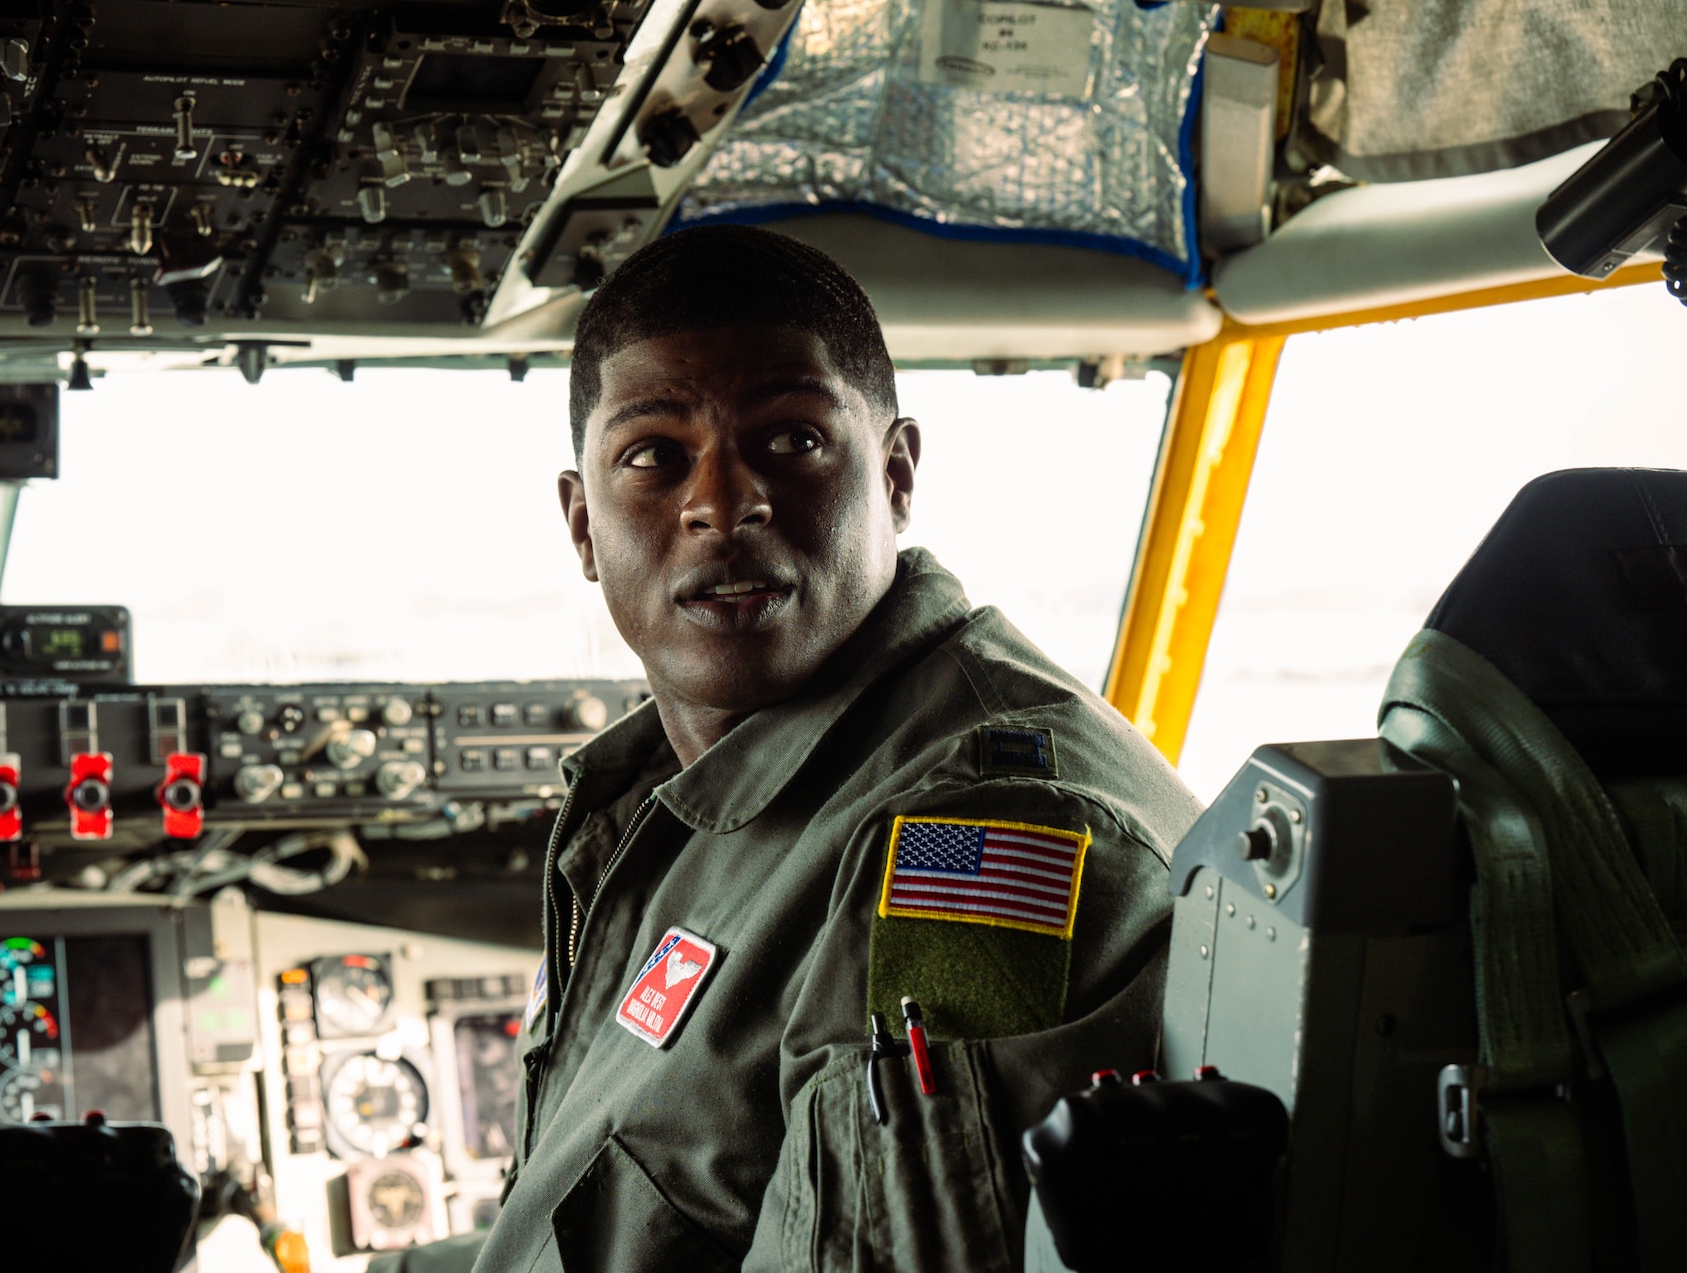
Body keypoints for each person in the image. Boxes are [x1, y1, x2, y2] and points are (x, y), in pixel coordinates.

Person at [377, 225, 1200, 1272]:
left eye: (792, 440)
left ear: (895, 476)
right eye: (653, 457)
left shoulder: (976, 832)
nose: (722, 502)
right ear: (583, 527)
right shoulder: (692, 799)